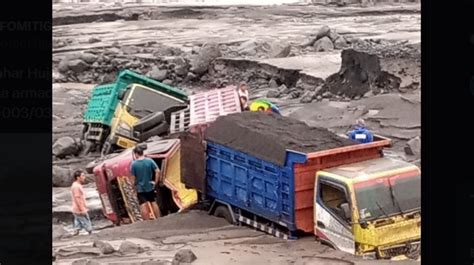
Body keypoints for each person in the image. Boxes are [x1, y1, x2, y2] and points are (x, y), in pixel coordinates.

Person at [130, 146, 161, 220]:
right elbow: (158, 171)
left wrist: (133, 187)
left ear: (136, 154)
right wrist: (155, 182)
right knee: (153, 201)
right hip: (150, 186)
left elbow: (133, 178)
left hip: (140, 188)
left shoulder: (134, 164)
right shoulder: (149, 161)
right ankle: (159, 219)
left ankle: (146, 223)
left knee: (143, 204)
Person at [71, 170, 93, 235]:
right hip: (79, 208)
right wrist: (82, 209)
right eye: (83, 176)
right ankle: (90, 232)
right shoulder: (76, 186)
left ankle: (76, 231)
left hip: (76, 208)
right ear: (78, 177)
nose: (84, 177)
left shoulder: (77, 185)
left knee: (78, 221)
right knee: (86, 221)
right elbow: (77, 198)